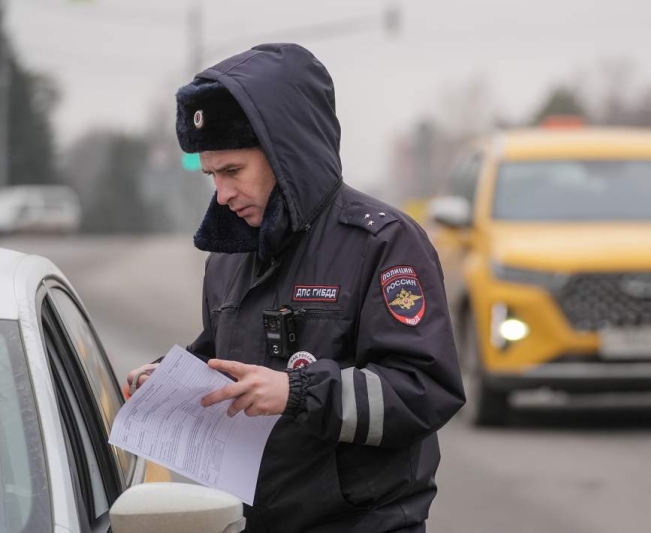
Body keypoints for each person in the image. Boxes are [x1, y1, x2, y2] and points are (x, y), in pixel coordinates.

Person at [126, 43, 465, 533]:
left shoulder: (383, 243)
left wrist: (298, 392)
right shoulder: (229, 256)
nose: (221, 195)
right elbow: (224, 360)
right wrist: (168, 380)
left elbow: (425, 390)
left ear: (286, 155)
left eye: (233, 171)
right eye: (211, 176)